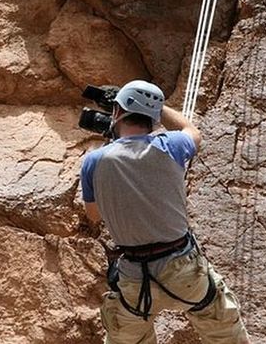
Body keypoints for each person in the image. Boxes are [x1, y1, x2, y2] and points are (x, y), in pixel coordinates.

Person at [80, 80, 250, 343]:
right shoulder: (172, 145)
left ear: (116, 112)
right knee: (224, 331)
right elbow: (191, 129)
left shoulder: (94, 161)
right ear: (153, 118)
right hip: (183, 268)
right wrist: (157, 107)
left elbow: (94, 215)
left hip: (134, 278)